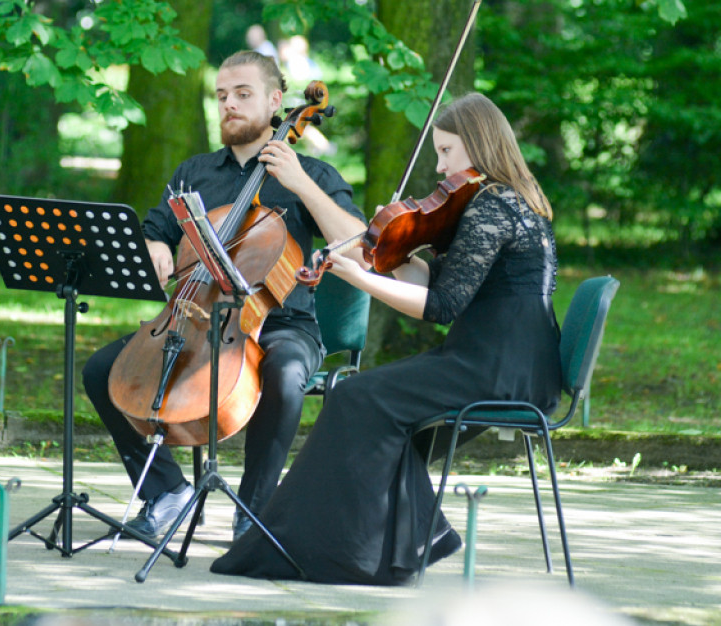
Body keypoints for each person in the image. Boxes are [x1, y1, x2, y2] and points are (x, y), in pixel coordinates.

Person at [211, 92, 562, 584]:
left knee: (357, 397)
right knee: (366, 402)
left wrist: (359, 278)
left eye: (447, 151)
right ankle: (384, 550)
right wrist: (389, 253)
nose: (441, 167)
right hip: (507, 360)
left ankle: (355, 553)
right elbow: (439, 282)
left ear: (478, 144)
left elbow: (441, 307)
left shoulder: (493, 207)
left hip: (498, 367)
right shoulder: (506, 200)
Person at [82, 50, 367, 541]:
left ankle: (253, 514)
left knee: (285, 374)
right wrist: (156, 246)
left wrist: (300, 183)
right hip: (195, 315)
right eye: (221, 96)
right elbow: (154, 230)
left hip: (282, 324)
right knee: (103, 369)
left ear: (275, 101)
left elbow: (359, 246)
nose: (228, 104)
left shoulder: (313, 174)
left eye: (242, 94)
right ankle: (165, 494)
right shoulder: (194, 172)